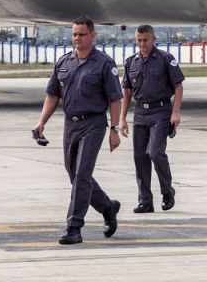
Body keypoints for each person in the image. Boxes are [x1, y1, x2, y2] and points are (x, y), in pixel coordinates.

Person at [33, 17, 122, 245]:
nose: (77, 38)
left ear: (93, 36)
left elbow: (115, 98)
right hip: (70, 124)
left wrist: (114, 129)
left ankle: (74, 227)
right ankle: (107, 207)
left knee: (82, 174)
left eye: (82, 34)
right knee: (74, 174)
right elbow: (53, 95)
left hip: (93, 124)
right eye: (74, 34)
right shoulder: (64, 62)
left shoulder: (104, 63)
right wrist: (41, 122)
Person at [120, 25, 184, 213]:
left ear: (153, 39)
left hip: (161, 111)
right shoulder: (131, 62)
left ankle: (167, 191)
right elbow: (127, 91)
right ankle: (145, 200)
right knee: (140, 157)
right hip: (140, 113)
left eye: (145, 40)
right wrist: (122, 118)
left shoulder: (165, 59)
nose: (142, 44)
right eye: (139, 40)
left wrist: (176, 112)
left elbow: (178, 86)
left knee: (155, 153)